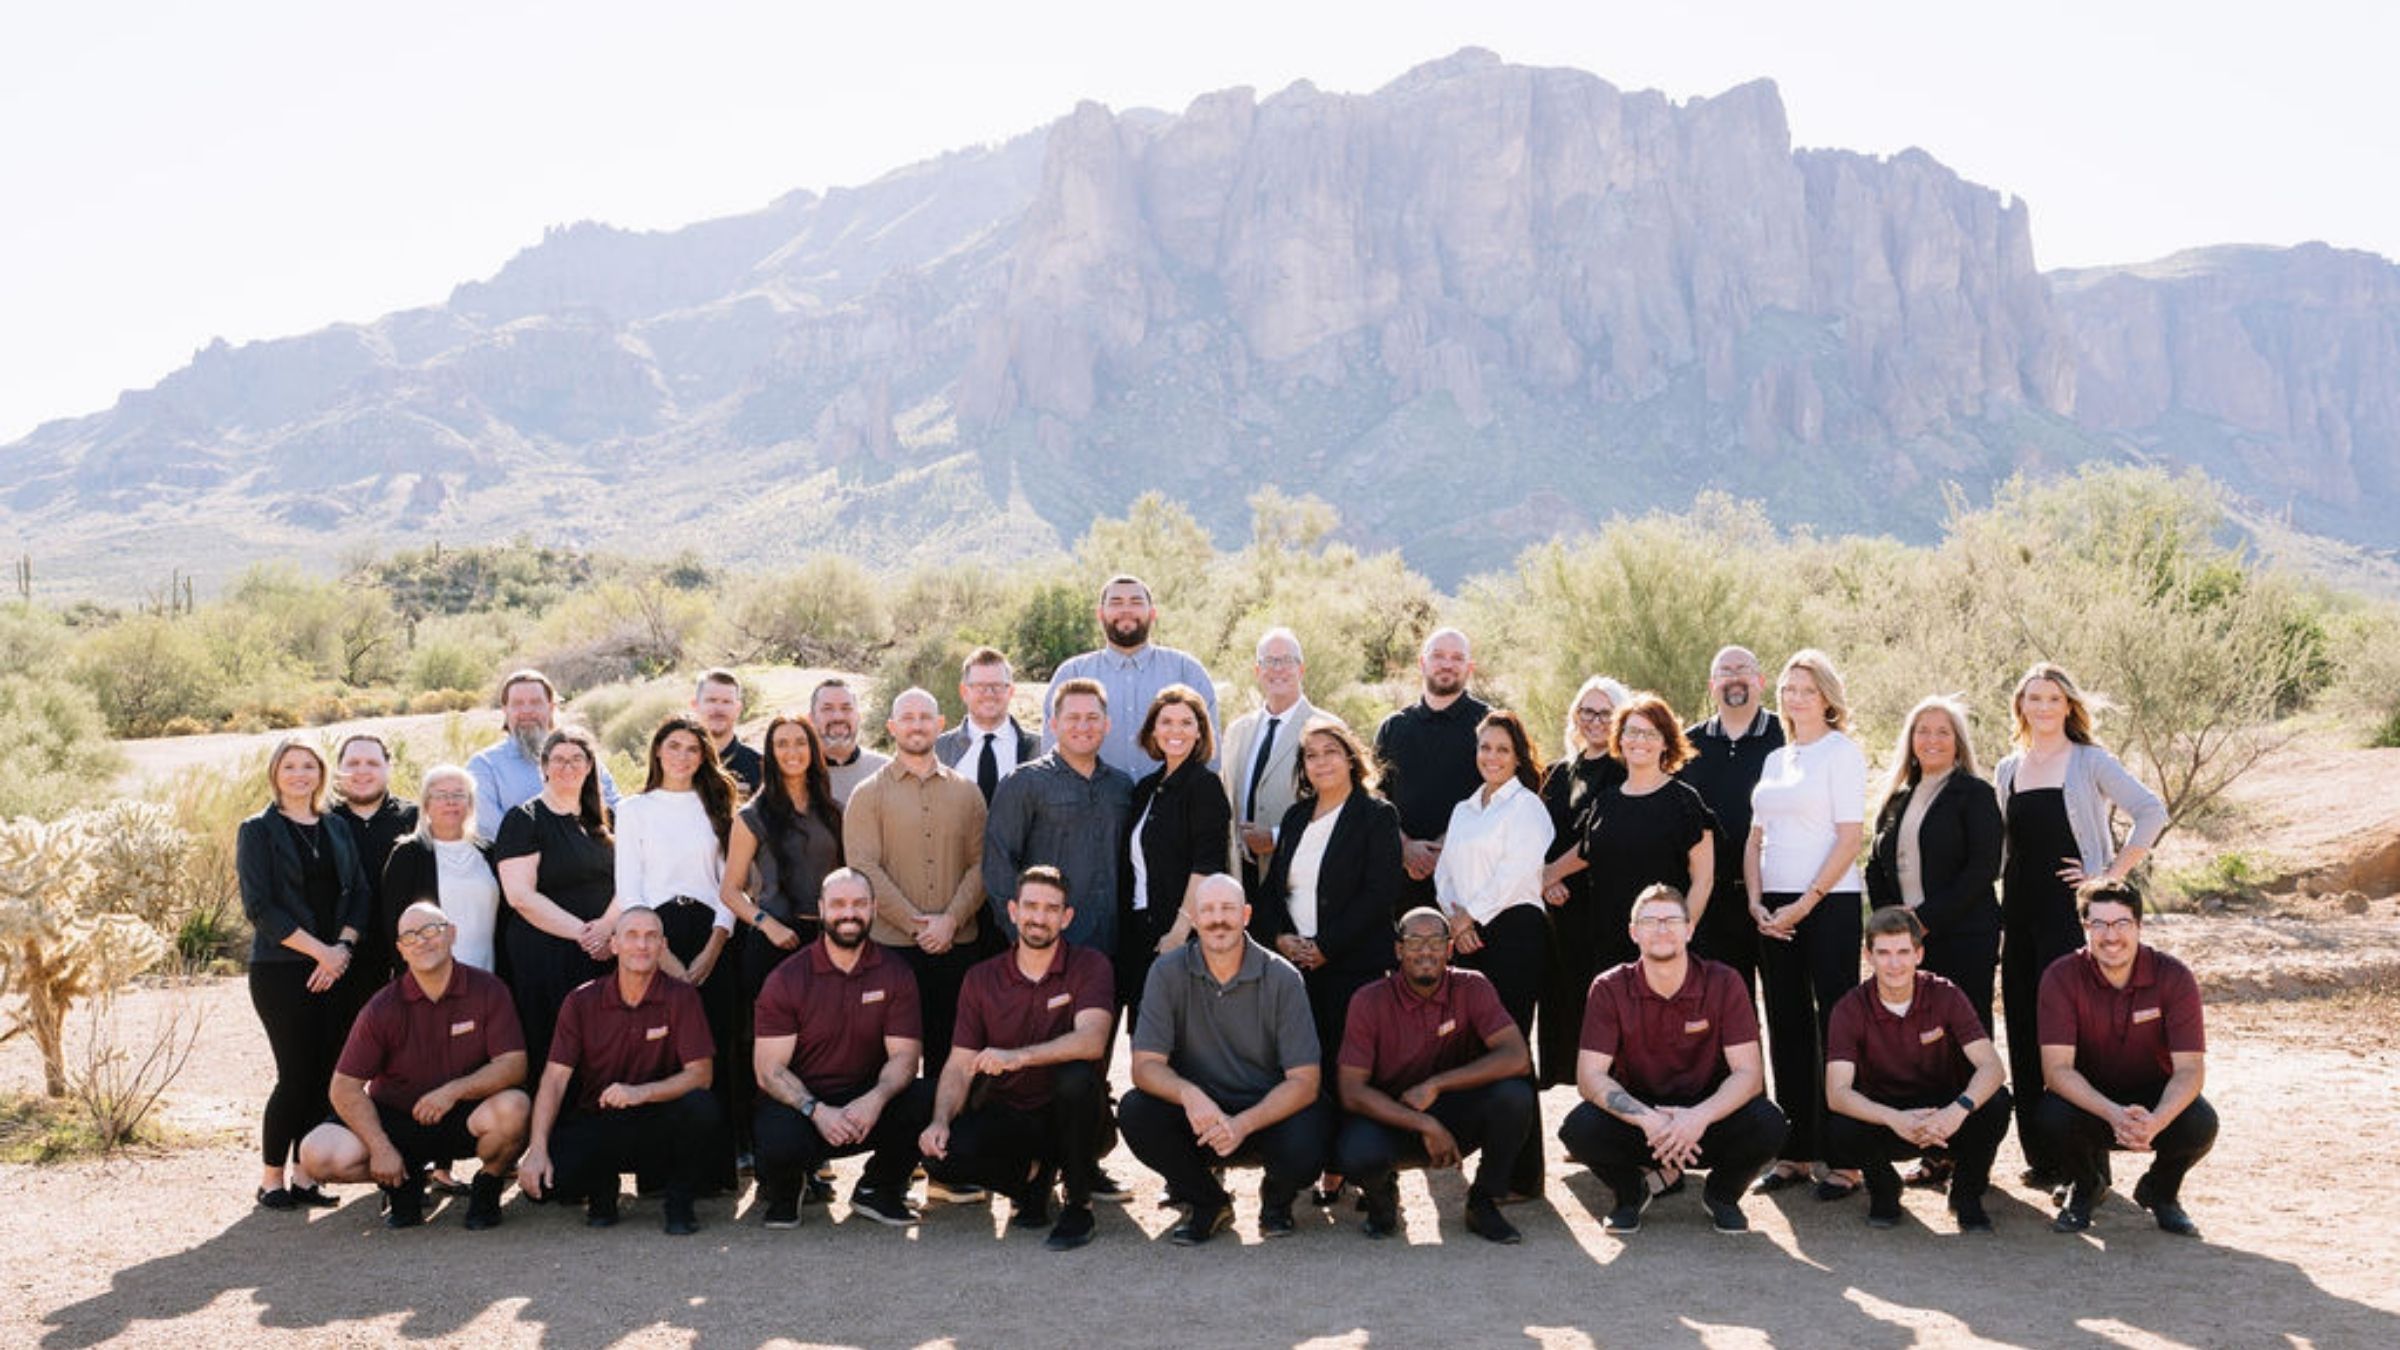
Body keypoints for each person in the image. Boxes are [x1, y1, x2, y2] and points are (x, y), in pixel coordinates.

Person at [1993, 662, 2168, 1189]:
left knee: (2072, 1034)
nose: (2043, 707)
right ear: (2021, 706)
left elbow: (2151, 811)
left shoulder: (2090, 761)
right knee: (2023, 1027)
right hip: (2018, 913)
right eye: (2034, 698)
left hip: (2069, 915)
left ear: (2068, 706)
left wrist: (2108, 875)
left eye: (2053, 698)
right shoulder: (2008, 768)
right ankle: (2044, 1159)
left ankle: (2088, 1163)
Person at [1557, 884, 1788, 1234]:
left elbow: (1748, 1074)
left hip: (1708, 1120)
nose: (1662, 929)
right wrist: (1650, 1121)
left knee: (1769, 1122)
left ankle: (1722, 1195)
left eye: (1671, 920)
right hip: (1641, 1123)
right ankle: (1630, 1193)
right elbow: (1590, 1078)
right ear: (1634, 932)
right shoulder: (1609, 987)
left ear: (1689, 929)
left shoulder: (1725, 982)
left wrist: (1698, 1117)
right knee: (1579, 1129)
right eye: (1649, 921)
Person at [1122, 875, 1329, 1246]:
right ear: (1195, 919)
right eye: (1208, 911)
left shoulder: (1283, 978)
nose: (1218, 919)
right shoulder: (1166, 972)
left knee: (1314, 1124)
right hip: (1201, 1116)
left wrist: (1244, 1124)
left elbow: (1304, 1080)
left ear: (1246, 915)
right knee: (1137, 1111)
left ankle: (1277, 1202)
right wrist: (1188, 1095)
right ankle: (1208, 1202)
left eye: (1228, 909)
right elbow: (1145, 1066)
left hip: (1265, 1114)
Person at [298, 902, 531, 1230]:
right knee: (317, 1153)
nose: (421, 941)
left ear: (451, 934)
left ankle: (488, 1184)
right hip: (395, 1123)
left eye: (430, 930)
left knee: (516, 1107)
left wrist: (453, 1092)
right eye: (410, 936)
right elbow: (344, 1086)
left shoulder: (488, 990)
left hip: (463, 1116)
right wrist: (380, 1148)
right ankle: (401, 1180)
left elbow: (514, 1065)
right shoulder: (382, 1007)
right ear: (401, 950)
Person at [919, 867, 1117, 1251]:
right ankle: (1032, 1178)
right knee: (941, 1157)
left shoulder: (1090, 966)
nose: (1038, 917)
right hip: (1011, 1117)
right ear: (1012, 910)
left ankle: (1079, 1204)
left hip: (1074, 1117)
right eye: (1030, 906)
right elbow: (960, 1064)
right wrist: (940, 1121)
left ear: (1066, 917)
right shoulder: (981, 978)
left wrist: (1018, 1057)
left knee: (1074, 1077)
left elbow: (1092, 1040)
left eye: (1050, 908)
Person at [1333, 908, 1536, 1244]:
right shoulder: (1368, 1000)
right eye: (1414, 941)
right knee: (1356, 1153)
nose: (1425, 951)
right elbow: (1351, 1091)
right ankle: (1383, 1203)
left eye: (1435, 942)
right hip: (1393, 1116)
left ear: (1450, 948)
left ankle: (1483, 1201)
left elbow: (1517, 1057)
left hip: (1453, 1113)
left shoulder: (1473, 987)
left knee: (1514, 1096)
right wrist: (1425, 1125)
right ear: (1398, 950)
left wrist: (1436, 1084)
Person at [1745, 649, 1868, 1200]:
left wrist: (1806, 903)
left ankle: (1845, 1159)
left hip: (1830, 902)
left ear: (1827, 697)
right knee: (1786, 1023)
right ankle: (1794, 1152)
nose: (1797, 697)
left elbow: (1849, 839)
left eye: (1808, 689)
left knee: (1836, 1026)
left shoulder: (1841, 754)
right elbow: (1755, 838)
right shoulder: (1778, 758)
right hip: (1771, 907)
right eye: (1790, 688)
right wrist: (1756, 901)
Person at [1544, 694, 1716, 1087]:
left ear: (1666, 742)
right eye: (1631, 732)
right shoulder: (1605, 803)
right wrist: (1546, 876)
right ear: (1620, 740)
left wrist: (1681, 932)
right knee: (1615, 1037)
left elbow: (1703, 879)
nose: (1639, 741)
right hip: (1609, 940)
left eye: (1650, 733)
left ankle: (1674, 1120)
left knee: (1666, 1038)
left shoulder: (1685, 802)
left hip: (1665, 941)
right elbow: (1586, 852)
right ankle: (1615, 1122)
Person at [517, 907, 722, 1234]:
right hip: (601, 1121)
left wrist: (640, 1093)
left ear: (662, 946)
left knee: (702, 1107)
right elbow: (554, 1080)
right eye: (631, 935)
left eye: (651, 937)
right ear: (613, 945)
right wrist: (537, 1149)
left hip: (660, 1122)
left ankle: (679, 1200)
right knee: (551, 1187)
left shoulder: (681, 997)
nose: (641, 945)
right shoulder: (581, 1001)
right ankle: (602, 1190)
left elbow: (701, 1075)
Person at [749, 869, 936, 1229]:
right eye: (838, 904)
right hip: (803, 1108)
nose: (848, 913)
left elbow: (906, 1057)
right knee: (778, 1138)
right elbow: (768, 1071)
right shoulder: (787, 979)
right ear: (821, 910)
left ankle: (878, 1189)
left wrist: (877, 1098)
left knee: (928, 1096)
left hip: (865, 1106)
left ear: (874, 909)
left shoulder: (895, 973)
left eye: (858, 904)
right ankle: (789, 1189)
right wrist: (817, 1111)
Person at [2032, 881, 2214, 1238]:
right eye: (2098, 924)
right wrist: (2113, 1114)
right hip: (2090, 1100)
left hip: (2153, 1098)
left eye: (2121, 923)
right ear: (2084, 927)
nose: (2110, 936)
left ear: (2139, 926)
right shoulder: (2061, 976)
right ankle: (2086, 1186)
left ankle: (2161, 1192)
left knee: (2201, 1123)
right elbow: (2057, 1071)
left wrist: (2157, 1120)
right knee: (2050, 1115)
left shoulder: (2174, 977)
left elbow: (2190, 1070)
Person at [238, 736, 373, 1211]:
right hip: (281, 969)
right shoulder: (257, 830)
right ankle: (271, 1178)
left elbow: (359, 893)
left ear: (321, 774)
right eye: (290, 766)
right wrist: (320, 952)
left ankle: (305, 1176)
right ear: (276, 773)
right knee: (294, 1074)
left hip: (335, 967)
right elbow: (260, 907)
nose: (300, 775)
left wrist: (341, 949)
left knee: (326, 1075)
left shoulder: (336, 827)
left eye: (309, 766)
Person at [612, 714, 742, 1187]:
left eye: (692, 748)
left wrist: (713, 948)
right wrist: (658, 953)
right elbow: (630, 888)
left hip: (711, 933)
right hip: (653, 937)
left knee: (714, 1046)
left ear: (704, 755)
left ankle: (714, 1173)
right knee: (660, 1052)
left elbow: (731, 884)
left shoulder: (720, 806)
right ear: (657, 752)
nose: (682, 756)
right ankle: (659, 1174)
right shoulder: (633, 809)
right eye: (673, 747)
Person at [1823, 908, 2011, 1232]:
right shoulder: (1849, 1008)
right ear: (1868, 956)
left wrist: (1957, 1111)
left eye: (1903, 952)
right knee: (1841, 1126)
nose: (1894, 964)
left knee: (1996, 1103)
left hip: (1945, 1118)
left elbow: (1992, 1068)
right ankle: (1884, 1189)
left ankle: (1966, 1193)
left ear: (1919, 954)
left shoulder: (1945, 993)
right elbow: (1837, 1093)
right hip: (1888, 1118)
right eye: (1883, 953)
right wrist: (1893, 1118)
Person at [1434, 707, 1553, 1200]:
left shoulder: (1526, 808)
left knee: (1511, 1050)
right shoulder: (1464, 809)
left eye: (1503, 749)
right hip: (1466, 935)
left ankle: (1524, 1176)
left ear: (1518, 755)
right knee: (1478, 1049)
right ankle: (1497, 1159)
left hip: (1514, 934)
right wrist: (1453, 918)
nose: (1492, 756)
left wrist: (1469, 918)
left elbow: (1513, 875)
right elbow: (1444, 873)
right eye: (1485, 747)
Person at [1253, 718, 1405, 1093]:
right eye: (1311, 756)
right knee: (1302, 1067)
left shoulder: (1377, 816)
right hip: (1296, 969)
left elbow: (1379, 892)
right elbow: (1272, 890)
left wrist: (1326, 946)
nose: (1321, 762)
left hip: (1353, 968)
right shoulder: (1295, 817)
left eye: (1331, 752)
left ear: (1351, 759)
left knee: (1348, 1070)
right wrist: (1280, 939)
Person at [845, 688, 988, 1080]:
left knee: (952, 1053)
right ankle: (899, 1140)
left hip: (956, 946)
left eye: (925, 717)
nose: (917, 725)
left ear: (940, 725)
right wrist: (917, 924)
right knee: (893, 1054)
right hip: (892, 949)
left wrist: (950, 921)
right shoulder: (868, 794)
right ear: (892, 727)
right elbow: (863, 867)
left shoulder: (968, 793)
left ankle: (947, 1134)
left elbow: (981, 865)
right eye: (907, 718)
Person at [721, 712, 843, 1162]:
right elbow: (730, 891)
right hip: (771, 944)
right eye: (781, 744)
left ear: (813, 750)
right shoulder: (751, 816)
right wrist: (766, 925)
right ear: (770, 755)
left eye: (800, 743)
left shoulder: (833, 811)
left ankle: (817, 1152)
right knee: (770, 1046)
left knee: (821, 1045)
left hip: (824, 943)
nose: (792, 752)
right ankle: (771, 1147)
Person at [1865, 696, 2004, 1033]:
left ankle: (1979, 1088)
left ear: (1957, 743)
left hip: (1965, 935)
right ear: (1911, 741)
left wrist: (1924, 919)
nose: (1932, 740)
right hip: (1908, 943)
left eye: (1943, 732)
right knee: (1917, 1031)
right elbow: (1875, 866)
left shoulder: (1975, 794)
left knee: (1966, 1030)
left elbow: (1983, 868)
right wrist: (1896, 923)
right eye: (1923, 731)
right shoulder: (1897, 798)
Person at [983, 677, 1135, 961]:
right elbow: (998, 864)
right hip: (1049, 949)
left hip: (1114, 948)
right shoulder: (1023, 783)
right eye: (1072, 717)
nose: (1083, 726)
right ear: (1053, 725)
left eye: (1092, 717)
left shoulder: (1121, 787)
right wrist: (1024, 939)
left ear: (1107, 724)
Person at [494, 726, 616, 1076]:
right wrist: (586, 934)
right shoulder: (525, 820)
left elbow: (631, 882)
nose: (568, 767)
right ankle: (553, 1128)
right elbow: (520, 896)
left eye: (577, 758)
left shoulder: (607, 822)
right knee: (557, 1047)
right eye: (559, 759)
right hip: (548, 952)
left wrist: (607, 928)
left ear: (591, 766)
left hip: (606, 950)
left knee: (604, 1043)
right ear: (544, 766)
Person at [1535, 676, 1629, 1084]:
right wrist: (1543, 879)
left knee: (1605, 1009)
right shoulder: (1557, 773)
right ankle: (1585, 1106)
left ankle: (1616, 1108)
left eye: (1605, 713)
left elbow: (1600, 836)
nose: (1595, 721)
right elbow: (1539, 834)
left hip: (1604, 909)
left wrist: (1553, 873)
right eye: (1587, 711)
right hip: (1560, 913)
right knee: (1566, 1006)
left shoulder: (1622, 771)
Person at [1121, 684, 1231, 1018]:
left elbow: (1207, 863)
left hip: (1181, 933)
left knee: (1181, 1034)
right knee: (1144, 1032)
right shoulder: (1144, 789)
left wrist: (1181, 930)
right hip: (1140, 927)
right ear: (1153, 730)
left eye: (1186, 723)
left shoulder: (1204, 786)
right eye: (1166, 722)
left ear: (1200, 732)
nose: (1175, 731)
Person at [1679, 646, 1783, 995]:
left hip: (1777, 894)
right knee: (1725, 1012)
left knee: (1789, 1009)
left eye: (1743, 669)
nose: (1734, 677)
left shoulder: (1787, 736)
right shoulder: (1688, 745)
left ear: (1760, 681)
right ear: (1712, 684)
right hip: (1713, 900)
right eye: (1725, 671)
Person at [1043, 574, 1218, 780]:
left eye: (1136, 602)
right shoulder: (1073, 673)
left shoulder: (1186, 670)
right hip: (1091, 807)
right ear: (1100, 614)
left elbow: (1208, 753)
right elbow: (1051, 754)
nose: (1126, 610)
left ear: (1152, 613)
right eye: (1116, 602)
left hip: (1171, 807)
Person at [1374, 628, 1489, 913]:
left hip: (1468, 881)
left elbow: (1497, 795)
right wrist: (1405, 847)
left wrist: (1446, 848)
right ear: (1422, 663)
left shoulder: (1489, 723)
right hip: (1400, 877)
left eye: (1457, 658)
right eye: (1438, 656)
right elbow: (1375, 797)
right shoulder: (1394, 727)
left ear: (1469, 668)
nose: (1447, 664)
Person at [1219, 628, 1332, 900]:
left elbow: (1339, 811)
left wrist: (1275, 836)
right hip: (1241, 883)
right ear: (1257, 671)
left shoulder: (1326, 729)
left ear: (1301, 669)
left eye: (1286, 660)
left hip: (1300, 884)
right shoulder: (1237, 731)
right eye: (1269, 661)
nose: (1277, 669)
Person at [468, 669, 619, 840]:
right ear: (505, 710)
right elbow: (495, 833)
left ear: (551, 707)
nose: (527, 710)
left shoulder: (581, 758)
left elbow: (617, 813)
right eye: (517, 703)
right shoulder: (484, 765)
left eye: (536, 702)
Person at [331, 733, 418, 990]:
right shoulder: (320, 820)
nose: (362, 771)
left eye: (372, 763)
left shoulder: (416, 818)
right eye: (353, 763)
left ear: (388, 768)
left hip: (403, 953)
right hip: (336, 954)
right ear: (338, 770)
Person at [935, 647, 1038, 804]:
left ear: (1010, 691)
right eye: (980, 686)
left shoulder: (1039, 748)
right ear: (964, 692)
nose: (989, 694)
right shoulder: (939, 750)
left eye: (997, 686)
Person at [811, 678, 892, 806]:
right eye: (827, 709)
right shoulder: (797, 775)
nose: (838, 717)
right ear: (811, 718)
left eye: (846, 708)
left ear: (858, 716)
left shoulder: (887, 771)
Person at [693, 668, 763, 796]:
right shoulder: (678, 762)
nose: (718, 709)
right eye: (711, 700)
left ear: (738, 709)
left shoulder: (760, 766)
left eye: (727, 702)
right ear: (695, 705)